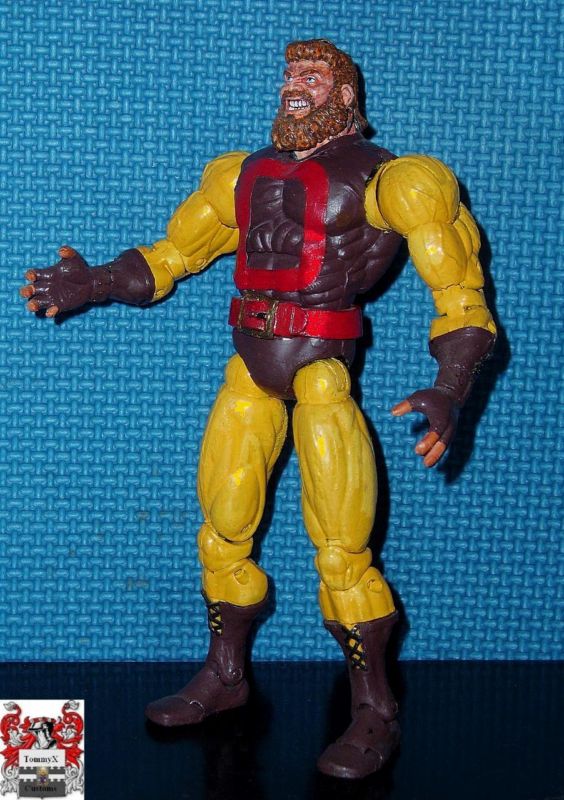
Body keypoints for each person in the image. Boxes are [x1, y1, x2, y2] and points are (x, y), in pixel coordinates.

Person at [21, 39, 496, 780]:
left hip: (323, 375)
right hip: (249, 371)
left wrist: (451, 384)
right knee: (222, 528)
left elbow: (458, 288)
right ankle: (226, 675)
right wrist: (97, 281)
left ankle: (375, 707)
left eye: (313, 76)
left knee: (342, 547)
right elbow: (174, 254)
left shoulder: (393, 178)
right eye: (289, 75)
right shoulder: (241, 175)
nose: (293, 87)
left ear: (345, 93)